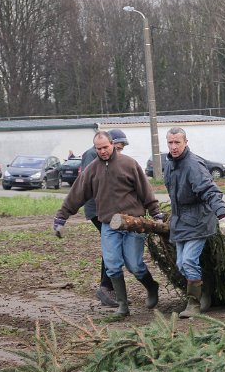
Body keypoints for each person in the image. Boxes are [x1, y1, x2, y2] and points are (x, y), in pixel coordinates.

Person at [53, 130, 163, 317]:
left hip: (133, 224)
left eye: (105, 147)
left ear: (112, 144)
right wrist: (61, 218)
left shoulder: (129, 164)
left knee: (134, 265)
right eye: (99, 148)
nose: (102, 151)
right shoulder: (92, 169)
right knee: (112, 265)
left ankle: (152, 287)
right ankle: (122, 305)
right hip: (109, 224)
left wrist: (156, 213)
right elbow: (76, 194)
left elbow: (146, 190)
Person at [163, 127, 225, 318]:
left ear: (186, 142)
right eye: (170, 143)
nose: (173, 146)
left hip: (199, 220)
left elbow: (210, 191)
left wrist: (222, 216)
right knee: (181, 263)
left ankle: (194, 304)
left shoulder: (193, 165)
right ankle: (205, 292)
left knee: (188, 260)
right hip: (180, 221)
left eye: (177, 142)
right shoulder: (170, 164)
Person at [79, 128, 131, 308]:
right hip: (98, 209)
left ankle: (110, 288)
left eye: (121, 148)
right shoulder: (91, 155)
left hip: (109, 209)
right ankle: (105, 287)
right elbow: (89, 183)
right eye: (119, 146)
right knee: (113, 245)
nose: (119, 151)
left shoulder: (109, 157)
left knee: (114, 244)